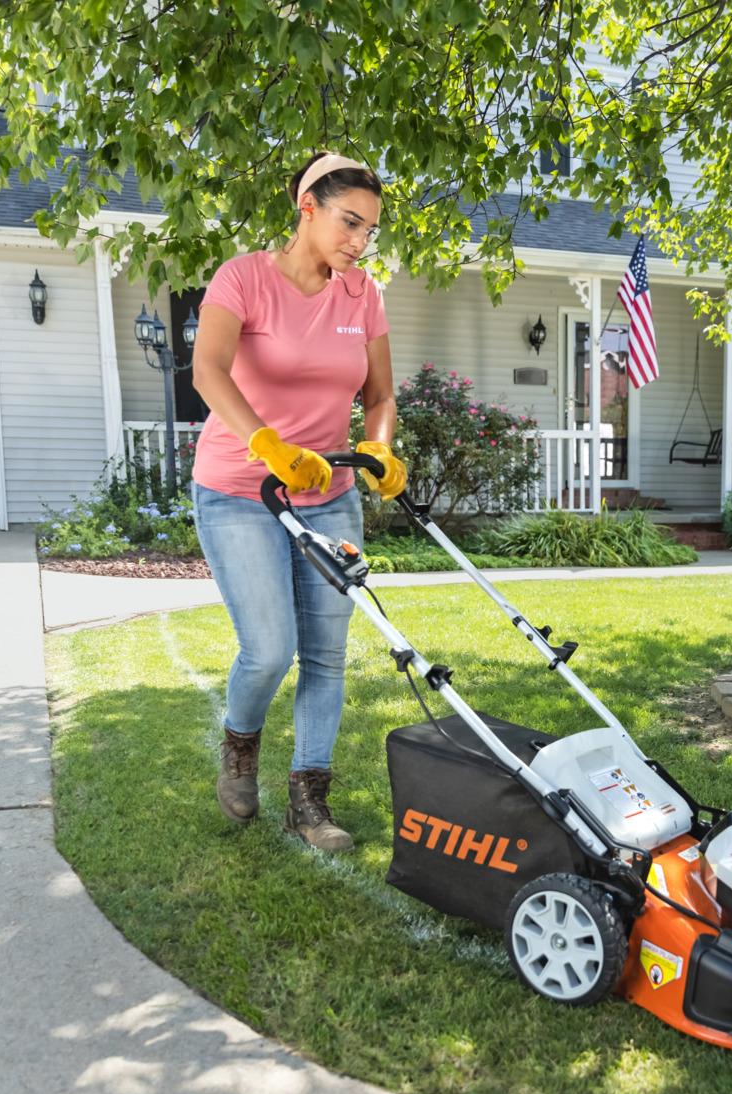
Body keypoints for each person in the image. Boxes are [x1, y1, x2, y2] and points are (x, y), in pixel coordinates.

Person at [188, 151, 407, 851]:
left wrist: (377, 446)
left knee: (327, 653)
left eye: (369, 230)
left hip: (329, 494)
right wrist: (267, 444)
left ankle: (308, 803)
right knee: (269, 649)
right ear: (307, 207)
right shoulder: (243, 278)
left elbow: (380, 394)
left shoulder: (362, 293)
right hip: (239, 488)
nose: (358, 240)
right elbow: (206, 369)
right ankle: (240, 744)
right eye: (349, 222)